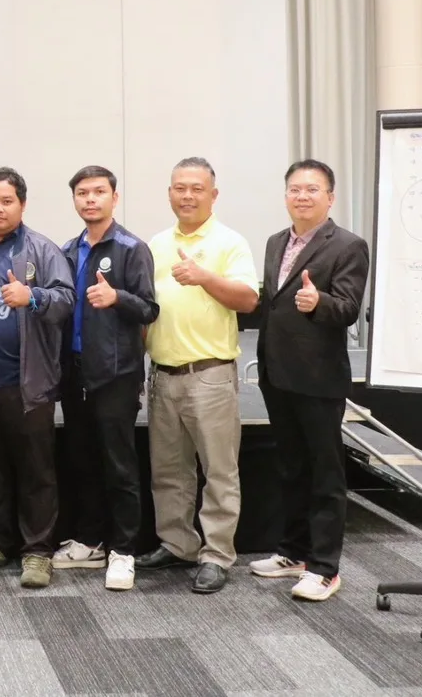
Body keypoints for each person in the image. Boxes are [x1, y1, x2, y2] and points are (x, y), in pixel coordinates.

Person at [136, 157, 260, 595]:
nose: (187, 196)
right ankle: (178, 544)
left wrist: (204, 277)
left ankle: (217, 554)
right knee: (168, 470)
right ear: (169, 193)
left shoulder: (230, 242)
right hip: (163, 375)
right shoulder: (155, 244)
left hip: (209, 376)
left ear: (213, 194)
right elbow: (146, 308)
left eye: (196, 188)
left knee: (219, 471)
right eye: (179, 188)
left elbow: (248, 299)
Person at [249, 160, 368, 602]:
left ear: (330, 198)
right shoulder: (275, 242)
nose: (302, 196)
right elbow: (272, 304)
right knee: (291, 467)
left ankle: (324, 568)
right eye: (295, 189)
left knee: (324, 474)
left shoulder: (349, 246)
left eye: (312, 189)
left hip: (318, 378)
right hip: (277, 373)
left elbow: (349, 309)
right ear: (285, 196)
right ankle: (293, 552)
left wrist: (320, 303)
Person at [0, 166, 75, 589]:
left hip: (27, 384)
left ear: (22, 204)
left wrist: (32, 296)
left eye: (7, 201)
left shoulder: (42, 249)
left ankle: (37, 551)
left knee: (36, 471)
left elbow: (66, 301)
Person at [53, 166, 159, 592]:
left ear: (114, 198)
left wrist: (117, 297)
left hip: (116, 374)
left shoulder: (132, 248)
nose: (90, 199)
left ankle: (123, 550)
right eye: (82, 193)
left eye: (99, 192)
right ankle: (89, 540)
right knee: (81, 459)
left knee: (119, 464)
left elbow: (150, 309)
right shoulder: (67, 250)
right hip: (74, 370)